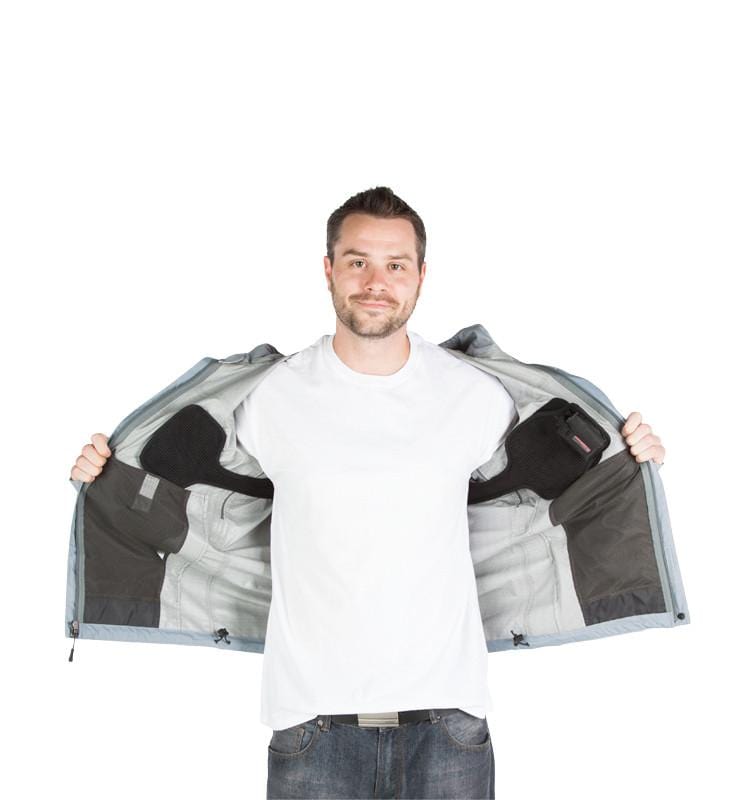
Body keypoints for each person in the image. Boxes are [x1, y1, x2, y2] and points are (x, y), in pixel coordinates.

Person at [69, 186, 666, 799]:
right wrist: (106, 472)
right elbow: (180, 479)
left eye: (396, 265)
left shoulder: (476, 394)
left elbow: (562, 469)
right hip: (311, 724)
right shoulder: (267, 396)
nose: (376, 282)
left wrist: (631, 453)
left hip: (449, 722)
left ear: (421, 276)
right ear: (329, 269)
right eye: (358, 261)